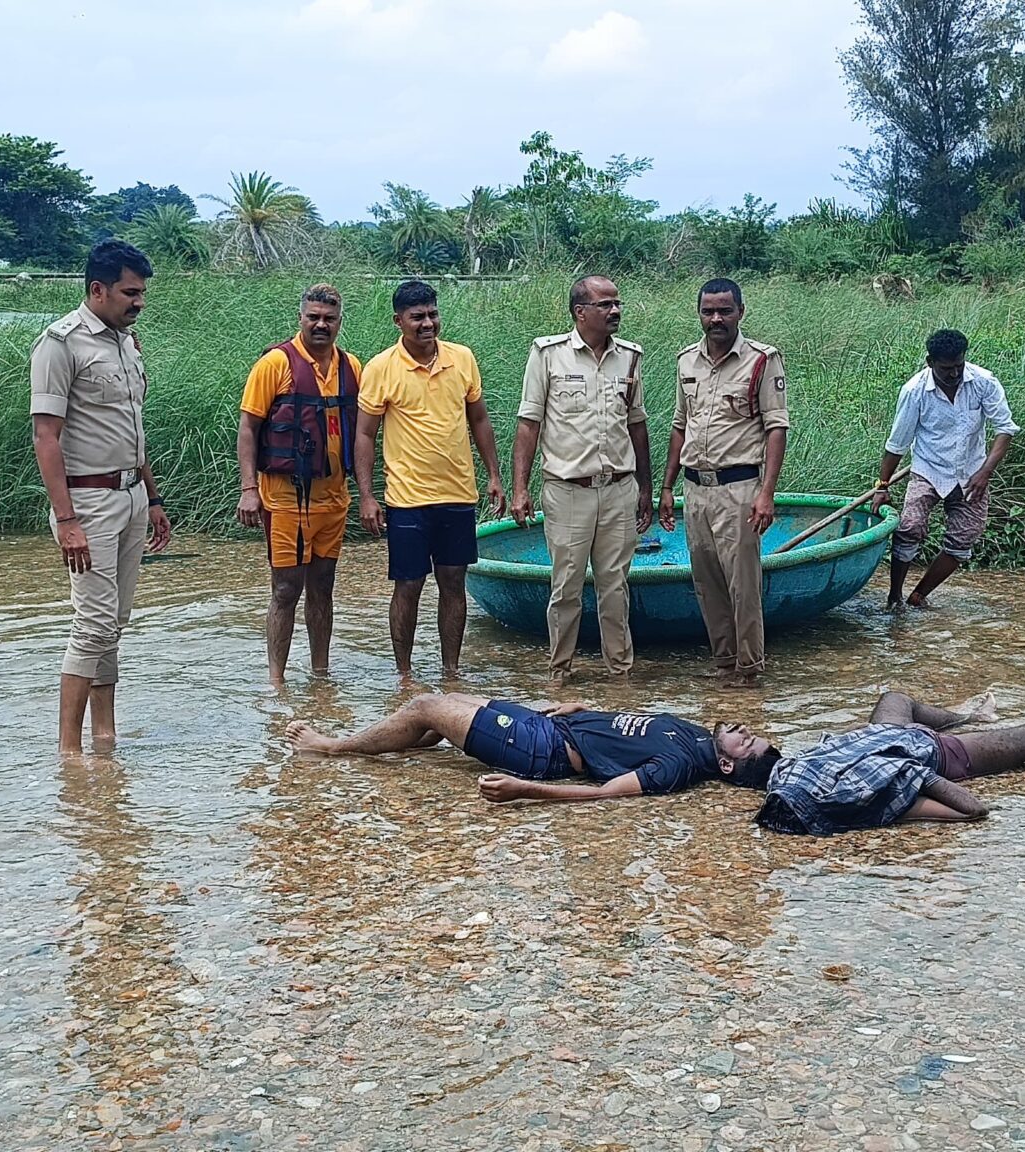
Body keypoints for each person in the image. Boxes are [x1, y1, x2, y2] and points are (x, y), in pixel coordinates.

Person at [31, 240, 172, 754]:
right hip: (87, 503)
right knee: (91, 622)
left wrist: (153, 499)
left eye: (141, 293)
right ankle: (69, 750)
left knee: (114, 622)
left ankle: (104, 734)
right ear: (98, 289)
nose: (139, 302)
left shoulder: (126, 343)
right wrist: (66, 519)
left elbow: (132, 432)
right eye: (130, 293)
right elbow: (46, 437)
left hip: (132, 496)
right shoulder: (60, 344)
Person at [754, 692, 1025, 835]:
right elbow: (973, 810)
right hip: (940, 754)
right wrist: (919, 777)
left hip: (888, 734)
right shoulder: (869, 803)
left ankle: (970, 715)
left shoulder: (784, 778)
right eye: (738, 737)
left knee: (895, 698)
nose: (743, 730)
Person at [356, 280, 504, 681]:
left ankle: (450, 671)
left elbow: (479, 419)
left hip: (458, 493)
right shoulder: (380, 367)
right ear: (398, 321)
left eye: (432, 314)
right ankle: (404, 675)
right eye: (417, 317)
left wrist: (494, 475)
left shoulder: (462, 358)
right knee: (408, 584)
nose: (427, 324)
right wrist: (367, 497)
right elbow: (365, 434)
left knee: (454, 582)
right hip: (406, 499)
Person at [512, 275, 652, 684]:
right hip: (567, 490)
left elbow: (637, 425)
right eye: (605, 305)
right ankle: (559, 673)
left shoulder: (629, 357)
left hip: (618, 489)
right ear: (580, 312)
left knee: (615, 588)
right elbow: (528, 424)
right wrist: (520, 488)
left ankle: (620, 675)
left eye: (617, 303)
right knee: (566, 590)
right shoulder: (548, 355)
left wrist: (645, 487)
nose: (615, 311)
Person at [659, 278, 789, 688]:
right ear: (699, 313)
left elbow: (776, 428)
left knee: (743, 586)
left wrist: (765, 494)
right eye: (708, 311)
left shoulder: (761, 361)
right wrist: (667, 486)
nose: (716, 319)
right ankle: (724, 664)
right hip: (696, 489)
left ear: (740, 312)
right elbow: (680, 425)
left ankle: (749, 671)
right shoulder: (686, 361)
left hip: (740, 489)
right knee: (707, 582)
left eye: (724, 311)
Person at [285, 695, 775, 804]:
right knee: (441, 714)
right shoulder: (695, 736)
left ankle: (331, 749)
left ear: (728, 763)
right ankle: (399, 753)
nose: (744, 729)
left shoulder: (679, 766)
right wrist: (591, 707)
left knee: (426, 707)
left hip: (543, 750)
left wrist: (526, 790)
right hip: (555, 723)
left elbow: (606, 793)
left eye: (747, 740)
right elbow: (631, 730)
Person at [237, 284, 360, 686]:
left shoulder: (351, 367)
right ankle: (276, 680)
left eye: (329, 318)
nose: (321, 325)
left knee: (323, 586)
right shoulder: (276, 363)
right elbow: (249, 427)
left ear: (340, 321)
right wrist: (248, 489)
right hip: (285, 498)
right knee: (287, 589)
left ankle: (320, 675)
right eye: (314, 317)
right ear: (301, 318)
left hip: (333, 497)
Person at [863, 328, 1020, 610]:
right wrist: (882, 487)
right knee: (909, 527)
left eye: (959, 366)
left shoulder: (983, 382)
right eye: (947, 369)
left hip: (972, 473)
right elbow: (896, 445)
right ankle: (894, 596)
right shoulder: (914, 392)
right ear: (929, 362)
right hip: (928, 470)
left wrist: (985, 472)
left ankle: (919, 594)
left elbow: (1004, 429)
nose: (954, 374)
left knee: (964, 538)